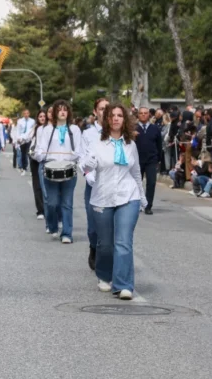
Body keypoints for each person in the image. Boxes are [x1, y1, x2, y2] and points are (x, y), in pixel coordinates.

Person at [81, 103, 146, 300]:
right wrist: (88, 165)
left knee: (123, 241)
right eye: (112, 115)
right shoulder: (97, 144)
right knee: (105, 244)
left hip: (129, 196)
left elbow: (135, 173)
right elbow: (85, 165)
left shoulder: (130, 144)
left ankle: (123, 285)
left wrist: (142, 198)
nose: (116, 118)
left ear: (124, 120)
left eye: (120, 115)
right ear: (107, 120)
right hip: (102, 197)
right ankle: (104, 275)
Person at [32, 101, 83, 242]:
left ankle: (67, 233)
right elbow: (40, 149)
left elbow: (80, 149)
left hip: (69, 169)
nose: (62, 112)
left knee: (67, 203)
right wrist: (39, 155)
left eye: (65, 110)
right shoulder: (46, 130)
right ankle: (53, 226)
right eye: (59, 110)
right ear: (55, 112)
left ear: (68, 112)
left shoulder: (74, 129)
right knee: (51, 202)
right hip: (50, 168)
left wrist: (74, 156)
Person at [81, 98, 109, 270]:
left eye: (107, 108)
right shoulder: (88, 134)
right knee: (93, 227)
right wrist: (90, 176)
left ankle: (106, 257)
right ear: (95, 112)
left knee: (109, 226)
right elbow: (82, 158)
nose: (104, 112)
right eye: (101, 108)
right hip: (93, 185)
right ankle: (93, 247)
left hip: (112, 185)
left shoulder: (118, 132)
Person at [134, 106, 164, 215]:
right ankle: (137, 204)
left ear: (149, 115)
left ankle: (148, 205)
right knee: (137, 183)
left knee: (151, 183)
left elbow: (159, 145)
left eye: (145, 113)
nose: (143, 115)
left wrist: (158, 159)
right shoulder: (133, 128)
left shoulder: (155, 128)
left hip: (151, 160)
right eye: (141, 113)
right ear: (138, 115)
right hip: (137, 160)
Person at [27, 109, 49, 220]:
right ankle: (40, 210)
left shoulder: (50, 128)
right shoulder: (35, 129)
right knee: (37, 185)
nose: (42, 118)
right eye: (40, 116)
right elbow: (28, 139)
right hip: (35, 159)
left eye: (44, 116)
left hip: (46, 159)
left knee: (46, 185)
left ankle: (49, 209)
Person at [13, 109, 36, 176]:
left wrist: (30, 137)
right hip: (22, 140)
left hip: (29, 140)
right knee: (23, 155)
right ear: (23, 114)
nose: (26, 115)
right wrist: (18, 138)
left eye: (27, 113)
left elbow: (32, 130)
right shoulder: (20, 121)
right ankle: (24, 168)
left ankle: (32, 170)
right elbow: (18, 130)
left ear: (29, 114)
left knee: (30, 154)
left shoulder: (32, 121)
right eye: (25, 113)